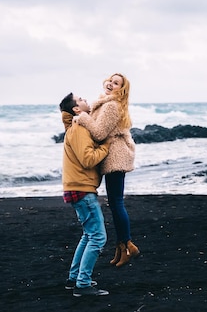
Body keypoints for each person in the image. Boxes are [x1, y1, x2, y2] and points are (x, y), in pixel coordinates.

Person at [74, 73, 139, 267]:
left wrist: (83, 117)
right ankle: (122, 248)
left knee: (117, 203)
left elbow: (100, 132)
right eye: (111, 80)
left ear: (122, 89)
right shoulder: (105, 103)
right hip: (112, 157)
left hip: (115, 158)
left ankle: (127, 245)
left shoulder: (111, 106)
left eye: (116, 83)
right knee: (114, 203)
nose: (111, 84)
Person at [59, 92, 110, 297]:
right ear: (76, 110)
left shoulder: (75, 127)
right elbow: (88, 159)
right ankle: (83, 284)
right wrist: (106, 146)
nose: (86, 99)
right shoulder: (79, 128)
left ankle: (74, 279)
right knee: (98, 237)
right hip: (82, 189)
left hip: (76, 187)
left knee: (88, 235)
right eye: (81, 99)